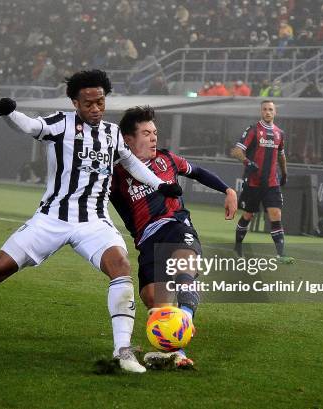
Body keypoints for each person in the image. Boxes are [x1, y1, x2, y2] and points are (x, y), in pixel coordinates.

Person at [0, 70, 183, 374]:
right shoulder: (61, 123)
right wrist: (9, 113)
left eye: (100, 101)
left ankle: (123, 351)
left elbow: (131, 162)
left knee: (120, 268)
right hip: (51, 219)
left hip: (94, 222)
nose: (96, 108)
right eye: (88, 103)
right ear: (75, 102)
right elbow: (32, 126)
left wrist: (160, 185)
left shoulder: (112, 133)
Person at [110, 106, 237, 368]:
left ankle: (184, 328)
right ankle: (168, 350)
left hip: (177, 226)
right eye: (146, 133)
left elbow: (198, 172)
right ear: (128, 139)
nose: (154, 137)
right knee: (154, 301)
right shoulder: (115, 174)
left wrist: (228, 190)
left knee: (184, 273)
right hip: (147, 241)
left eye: (155, 132)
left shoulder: (167, 159)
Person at [230, 100, 294, 264]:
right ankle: (238, 246)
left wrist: (285, 173)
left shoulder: (280, 133)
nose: (267, 112)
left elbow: (281, 155)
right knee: (248, 215)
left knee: (276, 214)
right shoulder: (253, 130)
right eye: (265, 109)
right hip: (254, 182)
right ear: (261, 112)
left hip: (272, 183)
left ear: (275, 112)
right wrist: (247, 162)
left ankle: (281, 254)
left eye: (270, 110)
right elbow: (236, 151)